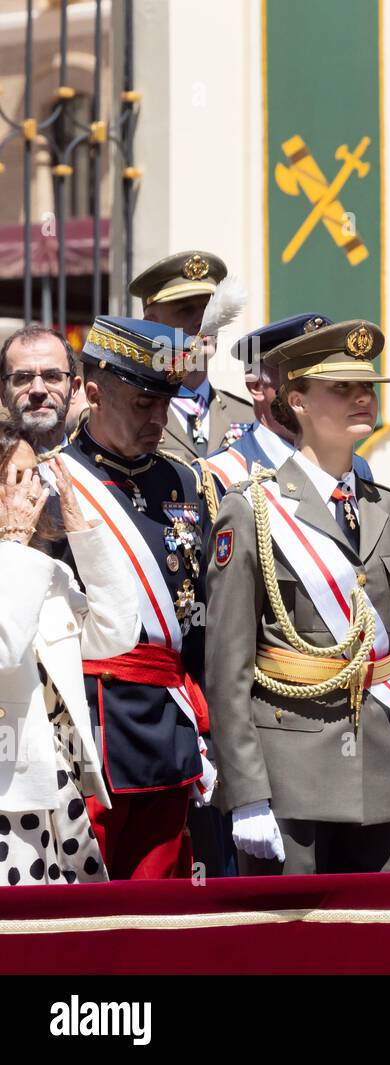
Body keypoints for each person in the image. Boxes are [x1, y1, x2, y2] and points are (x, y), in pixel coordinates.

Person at [204, 320, 390, 874]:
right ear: (297, 400)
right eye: (340, 387)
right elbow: (228, 666)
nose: (363, 397)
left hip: (382, 769)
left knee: (376, 951)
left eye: (368, 386)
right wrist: (246, 792)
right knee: (290, 956)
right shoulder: (253, 509)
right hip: (290, 776)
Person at [60, 317, 214, 879]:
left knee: (162, 910)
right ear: (94, 393)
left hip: (170, 724)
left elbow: (201, 617)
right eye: (144, 403)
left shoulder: (186, 484)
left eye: (166, 403)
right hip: (89, 727)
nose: (160, 420)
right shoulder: (53, 482)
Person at [0, 429, 138, 885]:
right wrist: (14, 544)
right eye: (14, 477)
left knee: (65, 942)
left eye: (32, 476)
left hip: (58, 786)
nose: (29, 492)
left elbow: (116, 634)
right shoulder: (23, 565)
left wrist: (84, 534)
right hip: (8, 795)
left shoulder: (45, 570)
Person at [199, 313, 372, 508]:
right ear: (256, 385)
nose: (312, 389)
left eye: (323, 377)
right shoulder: (223, 473)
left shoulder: (356, 468)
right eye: (296, 376)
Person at [130, 250, 254, 460]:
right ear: (152, 323)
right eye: (186, 310)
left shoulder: (246, 417)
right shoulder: (130, 415)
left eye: (209, 309)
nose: (202, 322)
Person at [1, 326, 82, 455]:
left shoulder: (98, 473)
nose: (38, 390)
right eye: (23, 378)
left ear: (73, 389)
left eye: (51, 377)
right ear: (3, 393)